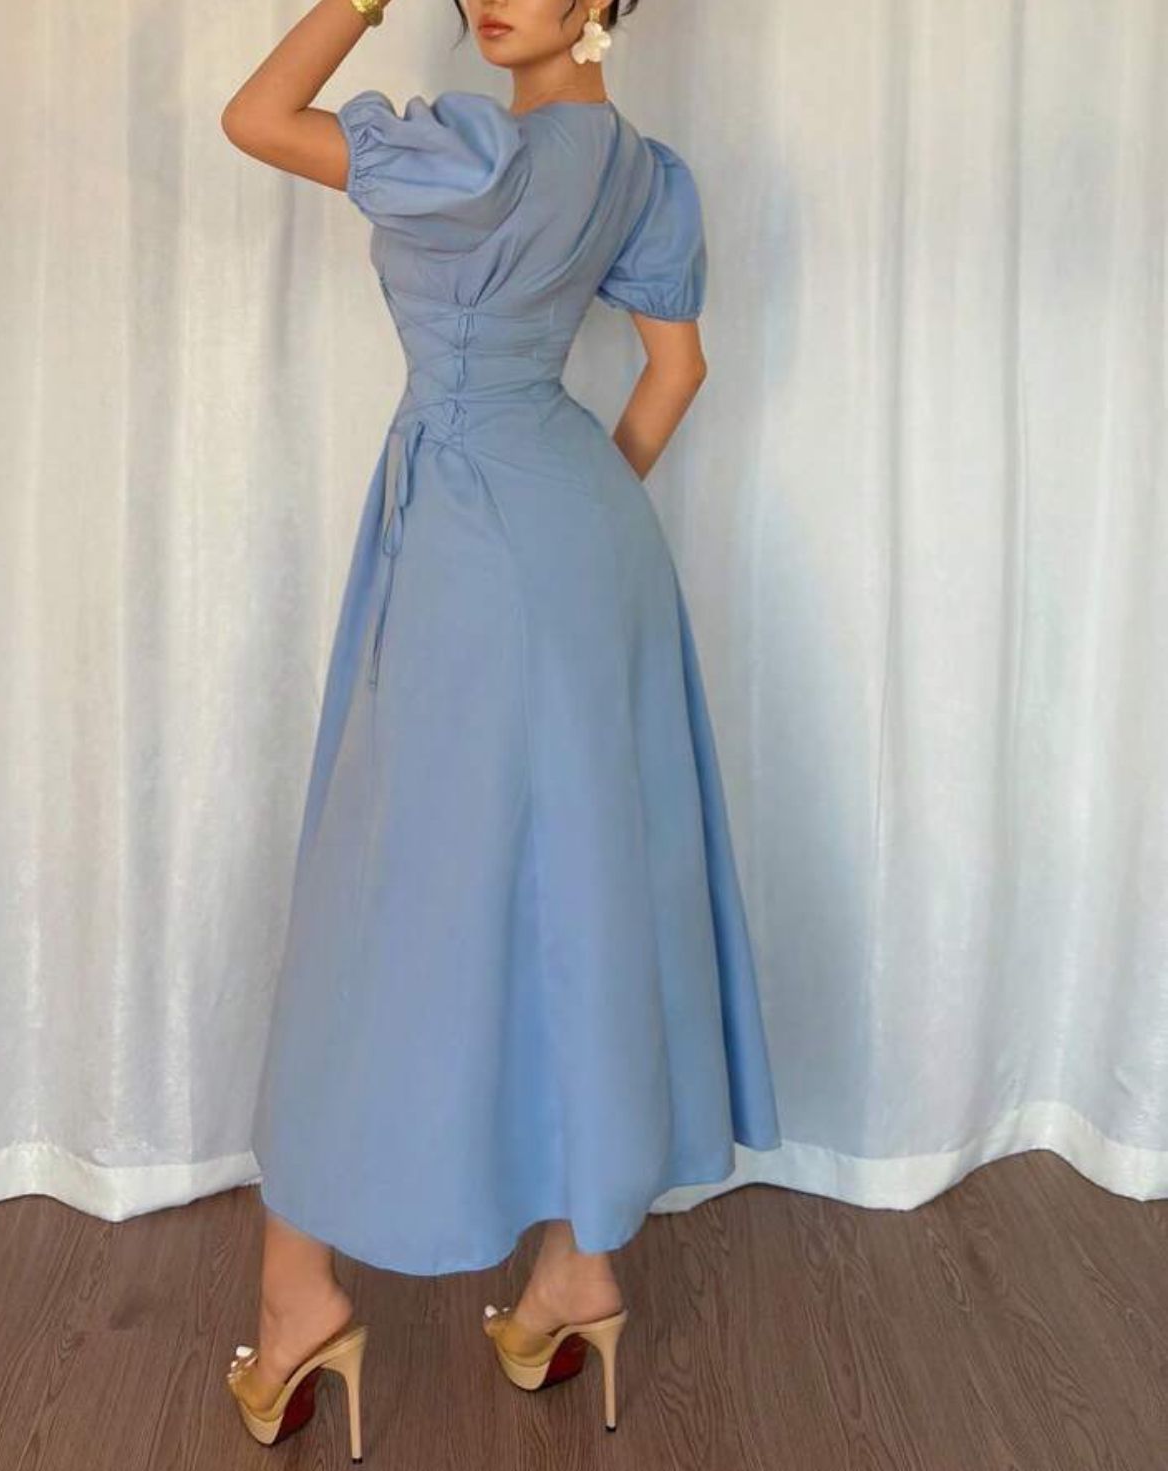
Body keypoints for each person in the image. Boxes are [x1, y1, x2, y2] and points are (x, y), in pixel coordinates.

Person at [218, 0, 780, 1455]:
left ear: (601, 5)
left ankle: (298, 1302)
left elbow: (254, 118)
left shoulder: (470, 147)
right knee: (585, 884)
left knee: (388, 898)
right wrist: (573, 522)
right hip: (582, 531)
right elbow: (675, 373)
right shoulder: (645, 171)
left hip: (470, 537)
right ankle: (576, 1277)